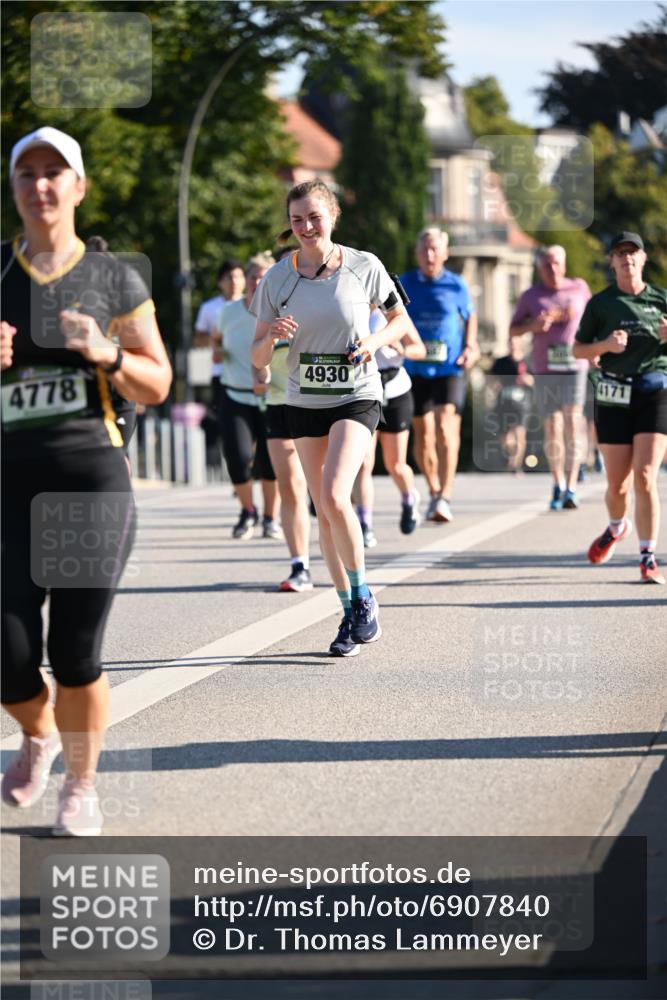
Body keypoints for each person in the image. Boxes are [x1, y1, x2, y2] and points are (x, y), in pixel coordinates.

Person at [1, 127, 172, 834]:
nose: (40, 186)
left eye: (54, 173)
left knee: (74, 650)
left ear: (78, 187)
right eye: (26, 173)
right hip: (8, 485)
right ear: (14, 188)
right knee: (7, 653)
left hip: (89, 481)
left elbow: (157, 381)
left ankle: (81, 781)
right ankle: (38, 733)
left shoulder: (113, 278)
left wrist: (105, 354)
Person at [251, 179, 411, 657]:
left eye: (314, 217)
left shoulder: (365, 266)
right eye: (296, 219)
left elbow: (400, 321)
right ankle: (348, 610)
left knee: (335, 494)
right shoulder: (277, 278)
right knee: (325, 512)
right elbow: (256, 357)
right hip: (304, 400)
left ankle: (363, 598)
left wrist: (374, 342)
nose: (305, 227)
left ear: (333, 216)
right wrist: (272, 337)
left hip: (357, 394)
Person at [573, 231, 667, 585]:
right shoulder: (601, 304)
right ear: (612, 262)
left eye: (633, 253)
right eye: (620, 253)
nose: (627, 258)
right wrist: (606, 345)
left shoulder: (661, 298)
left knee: (645, 476)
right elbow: (578, 351)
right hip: (613, 394)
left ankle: (647, 557)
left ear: (643, 260)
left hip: (655, 390)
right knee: (618, 486)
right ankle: (617, 526)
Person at [401, 227, 479, 523]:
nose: (430, 255)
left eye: (435, 249)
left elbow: (470, 316)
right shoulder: (405, 283)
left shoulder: (456, 285)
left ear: (445, 254)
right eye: (425, 249)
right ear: (417, 253)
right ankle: (433, 490)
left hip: (449, 367)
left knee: (446, 428)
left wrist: (470, 345)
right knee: (423, 435)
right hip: (416, 368)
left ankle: (445, 495)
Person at [510, 246, 591, 509]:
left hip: (575, 365)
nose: (552, 269)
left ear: (564, 264)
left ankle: (571, 486)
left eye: (556, 263)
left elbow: (594, 319)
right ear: (539, 268)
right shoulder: (530, 296)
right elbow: (513, 329)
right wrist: (533, 326)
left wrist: (597, 348)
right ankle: (557, 484)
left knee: (572, 421)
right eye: (546, 264)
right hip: (545, 368)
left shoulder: (579, 288)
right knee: (553, 426)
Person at [218, 252, 280, 540]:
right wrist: (218, 352)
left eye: (263, 275)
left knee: (270, 462)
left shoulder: (281, 310)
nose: (257, 280)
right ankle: (247, 511)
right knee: (238, 457)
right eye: (253, 275)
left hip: (272, 397)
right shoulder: (229, 312)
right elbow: (218, 340)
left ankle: (271, 518)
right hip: (235, 394)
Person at [353, 306, 427, 545]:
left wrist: (403, 348)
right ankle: (364, 524)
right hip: (364, 390)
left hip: (395, 389)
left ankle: (409, 498)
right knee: (364, 463)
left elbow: (420, 349)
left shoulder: (392, 312)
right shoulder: (351, 308)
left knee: (395, 465)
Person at [194, 258, 244, 413]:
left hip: (248, 371)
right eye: (229, 277)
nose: (234, 282)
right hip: (220, 372)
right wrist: (218, 340)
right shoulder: (209, 308)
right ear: (220, 282)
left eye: (238, 276)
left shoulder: (254, 305)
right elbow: (198, 340)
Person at [489, 339, 534, 474]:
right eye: (511, 343)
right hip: (504, 402)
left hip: (522, 403)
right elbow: (491, 379)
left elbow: (535, 380)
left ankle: (516, 465)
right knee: (505, 437)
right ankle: (511, 457)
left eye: (515, 343)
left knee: (520, 433)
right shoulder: (501, 362)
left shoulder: (527, 361)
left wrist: (528, 380)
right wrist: (494, 385)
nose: (513, 346)